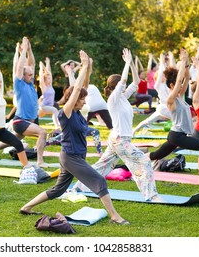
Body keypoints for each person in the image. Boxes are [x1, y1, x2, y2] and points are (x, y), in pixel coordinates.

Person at [19, 50, 129, 225]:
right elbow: (76, 89)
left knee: (58, 190)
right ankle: (115, 216)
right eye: (82, 99)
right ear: (74, 100)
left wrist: (76, 73)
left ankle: (26, 207)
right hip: (71, 157)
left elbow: (76, 87)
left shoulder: (77, 113)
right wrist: (84, 66)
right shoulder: (66, 113)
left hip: (73, 156)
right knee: (99, 181)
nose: (85, 101)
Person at [72, 48, 159, 201]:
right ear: (114, 86)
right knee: (143, 161)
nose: (124, 87)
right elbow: (124, 81)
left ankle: (78, 187)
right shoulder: (113, 99)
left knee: (101, 166)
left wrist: (131, 63)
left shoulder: (123, 98)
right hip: (120, 140)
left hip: (117, 139)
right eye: (120, 85)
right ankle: (151, 195)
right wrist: (126, 64)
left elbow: (136, 82)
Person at [148, 49, 199, 184]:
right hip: (177, 136)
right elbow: (179, 82)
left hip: (176, 135)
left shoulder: (180, 96)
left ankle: (136, 162)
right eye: (177, 84)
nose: (181, 86)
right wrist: (182, 61)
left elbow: (186, 78)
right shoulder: (170, 99)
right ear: (172, 85)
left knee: (156, 155)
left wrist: (186, 63)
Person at [0, 37, 47, 167]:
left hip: (29, 120)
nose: (32, 77)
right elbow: (19, 67)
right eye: (29, 75)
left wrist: (29, 49)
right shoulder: (19, 84)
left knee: (16, 139)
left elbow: (32, 63)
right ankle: (40, 161)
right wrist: (23, 50)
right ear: (23, 75)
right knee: (42, 132)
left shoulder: (30, 84)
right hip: (20, 121)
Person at [133, 52, 171, 135]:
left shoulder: (167, 84)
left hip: (165, 109)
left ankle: (133, 131)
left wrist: (164, 63)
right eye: (163, 76)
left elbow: (165, 71)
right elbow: (161, 72)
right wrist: (161, 63)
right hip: (165, 109)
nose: (165, 76)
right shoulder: (158, 85)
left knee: (146, 121)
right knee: (181, 120)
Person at [38, 57, 61, 131]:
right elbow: (41, 76)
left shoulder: (50, 85)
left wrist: (47, 63)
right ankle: (57, 126)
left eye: (49, 78)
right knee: (55, 110)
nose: (50, 79)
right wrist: (41, 68)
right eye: (48, 78)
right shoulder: (43, 86)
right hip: (44, 106)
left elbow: (49, 73)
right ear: (45, 79)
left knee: (35, 117)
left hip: (49, 106)